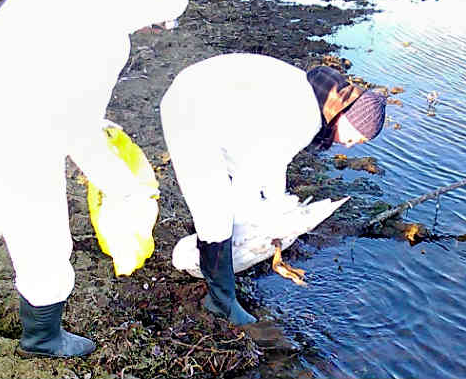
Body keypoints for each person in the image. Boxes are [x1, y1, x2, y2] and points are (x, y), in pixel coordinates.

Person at [0, 0, 190, 357]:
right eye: (157, 23)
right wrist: (124, 188)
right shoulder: (108, 38)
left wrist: (91, 121)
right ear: (150, 7)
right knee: (43, 237)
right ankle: (42, 338)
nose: (148, 31)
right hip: (19, 136)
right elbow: (80, 135)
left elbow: (47, 71)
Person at [160, 53, 386, 325]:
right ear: (348, 116)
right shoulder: (306, 119)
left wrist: (277, 205)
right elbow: (252, 173)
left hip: (208, 104)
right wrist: (253, 223)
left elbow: (275, 160)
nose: (350, 144)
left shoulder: (313, 97)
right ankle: (221, 302)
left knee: (229, 196)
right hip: (189, 112)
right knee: (216, 217)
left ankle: (218, 270)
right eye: (357, 137)